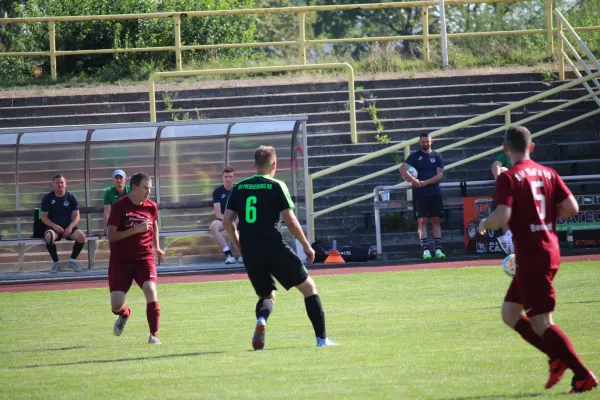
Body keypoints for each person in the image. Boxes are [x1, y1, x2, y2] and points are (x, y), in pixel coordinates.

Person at [478, 126, 597, 394]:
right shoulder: (548, 172)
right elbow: (572, 208)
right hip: (546, 249)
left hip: (533, 255)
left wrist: (485, 222)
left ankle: (582, 375)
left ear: (505, 149)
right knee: (510, 313)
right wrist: (542, 220)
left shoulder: (509, 176)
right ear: (532, 147)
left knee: (542, 322)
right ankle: (557, 357)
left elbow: (502, 216)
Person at [223, 145, 336, 350]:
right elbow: (291, 221)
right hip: (274, 247)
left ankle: (262, 321)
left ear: (254, 165)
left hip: (250, 250)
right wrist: (306, 246)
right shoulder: (277, 186)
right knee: (309, 289)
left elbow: (226, 221)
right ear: (274, 164)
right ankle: (322, 340)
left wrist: (239, 245)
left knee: (266, 295)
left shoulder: (239, 188)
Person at [107, 172, 165, 345]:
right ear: (134, 187)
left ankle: (153, 335)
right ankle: (124, 314)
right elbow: (110, 236)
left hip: (144, 258)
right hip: (121, 261)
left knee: (150, 290)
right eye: (145, 188)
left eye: (150, 188)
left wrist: (156, 246)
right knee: (116, 304)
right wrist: (135, 230)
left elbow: (153, 223)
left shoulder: (151, 206)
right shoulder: (119, 206)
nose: (148, 192)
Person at [399, 133, 446, 260]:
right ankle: (425, 250)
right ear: (420, 142)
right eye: (423, 141)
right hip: (419, 193)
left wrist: (425, 182)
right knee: (422, 220)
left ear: (432, 141)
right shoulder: (415, 156)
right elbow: (402, 169)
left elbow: (440, 175)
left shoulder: (437, 156)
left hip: (434, 192)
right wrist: (413, 179)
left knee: (436, 220)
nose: (425, 143)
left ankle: (438, 249)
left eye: (427, 141)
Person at [41, 174, 86, 273]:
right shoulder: (47, 197)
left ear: (65, 184)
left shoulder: (71, 197)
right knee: (48, 237)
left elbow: (77, 216)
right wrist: (54, 226)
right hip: (54, 228)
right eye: (57, 183)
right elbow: (44, 218)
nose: (60, 185)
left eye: (62, 182)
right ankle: (56, 262)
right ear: (53, 184)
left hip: (68, 227)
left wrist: (70, 227)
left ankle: (73, 260)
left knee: (81, 237)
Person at [210, 167, 242, 264]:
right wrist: (229, 222)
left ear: (234, 178)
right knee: (213, 226)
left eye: (230, 176)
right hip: (224, 220)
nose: (228, 179)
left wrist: (235, 222)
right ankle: (229, 255)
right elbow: (218, 213)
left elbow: (242, 209)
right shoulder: (217, 192)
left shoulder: (239, 190)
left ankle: (243, 254)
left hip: (239, 219)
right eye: (226, 176)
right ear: (222, 178)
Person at [491, 152, 514, 255]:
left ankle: (507, 239)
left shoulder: (519, 158)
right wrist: (498, 179)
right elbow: (496, 166)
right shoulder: (503, 157)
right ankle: (507, 239)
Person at [100, 169, 130, 237]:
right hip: (115, 222)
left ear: (125, 179)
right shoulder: (109, 192)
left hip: (129, 220)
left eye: (121, 178)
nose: (119, 180)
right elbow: (107, 211)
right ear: (113, 180)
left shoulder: (131, 190)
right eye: (116, 178)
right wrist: (106, 228)